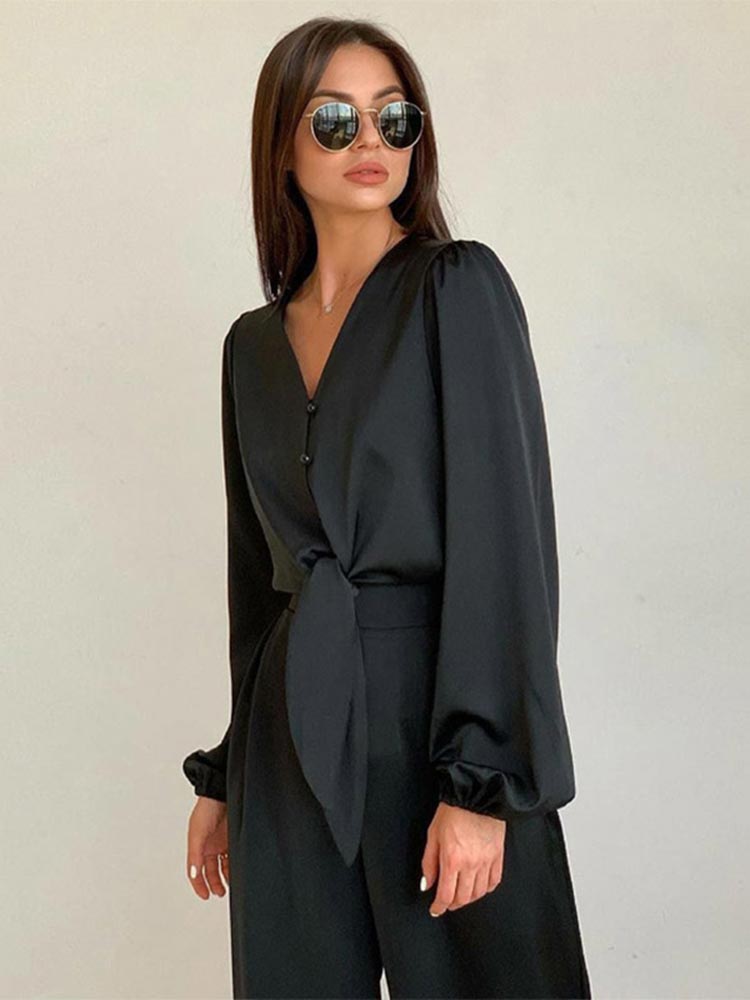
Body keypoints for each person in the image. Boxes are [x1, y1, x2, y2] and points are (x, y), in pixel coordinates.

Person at [181, 16, 591, 1000]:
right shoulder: (250, 347)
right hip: (289, 731)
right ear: (282, 145)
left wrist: (482, 786)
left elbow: (506, 547)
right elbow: (259, 583)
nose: (371, 141)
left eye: (393, 117)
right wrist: (229, 774)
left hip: (433, 719)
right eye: (335, 120)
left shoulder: (456, 289)